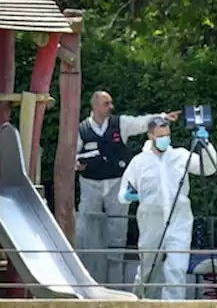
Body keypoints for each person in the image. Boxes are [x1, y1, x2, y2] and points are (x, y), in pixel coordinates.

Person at [74, 91, 178, 286]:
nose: (111, 107)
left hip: (116, 183)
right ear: (95, 106)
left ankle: (116, 285)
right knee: (89, 233)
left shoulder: (119, 123)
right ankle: (89, 284)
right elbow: (71, 154)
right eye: (106, 103)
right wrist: (77, 164)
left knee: (117, 233)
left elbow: (141, 122)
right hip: (90, 184)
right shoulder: (82, 129)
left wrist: (163, 117)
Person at [118, 116, 217, 300]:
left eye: (167, 134)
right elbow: (123, 193)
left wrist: (205, 145)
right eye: (160, 135)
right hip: (151, 222)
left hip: (179, 221)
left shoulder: (180, 156)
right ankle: (143, 304)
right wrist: (128, 196)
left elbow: (208, 168)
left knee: (177, 269)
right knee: (148, 269)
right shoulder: (139, 162)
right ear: (150, 136)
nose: (165, 138)